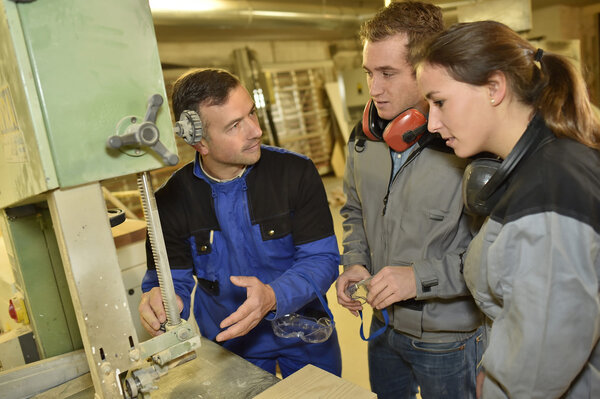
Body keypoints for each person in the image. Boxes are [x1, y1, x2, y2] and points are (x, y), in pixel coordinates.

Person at [415, 20, 600, 398]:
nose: (432, 123)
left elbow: (540, 367)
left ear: (494, 88)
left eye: (439, 102)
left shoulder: (550, 187)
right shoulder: (540, 164)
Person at [138, 68, 342, 378]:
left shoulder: (294, 173)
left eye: (252, 114)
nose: (255, 131)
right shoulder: (171, 201)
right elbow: (169, 282)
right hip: (231, 344)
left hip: (306, 334)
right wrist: (162, 302)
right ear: (200, 142)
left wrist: (273, 296)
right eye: (235, 125)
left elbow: (322, 259)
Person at [335, 2, 483, 398]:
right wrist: (355, 262)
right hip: (382, 325)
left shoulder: (470, 147)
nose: (373, 89)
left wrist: (418, 278)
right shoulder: (363, 138)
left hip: (447, 339)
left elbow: (492, 259)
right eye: (369, 72)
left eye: (387, 73)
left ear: (427, 69)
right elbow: (353, 210)